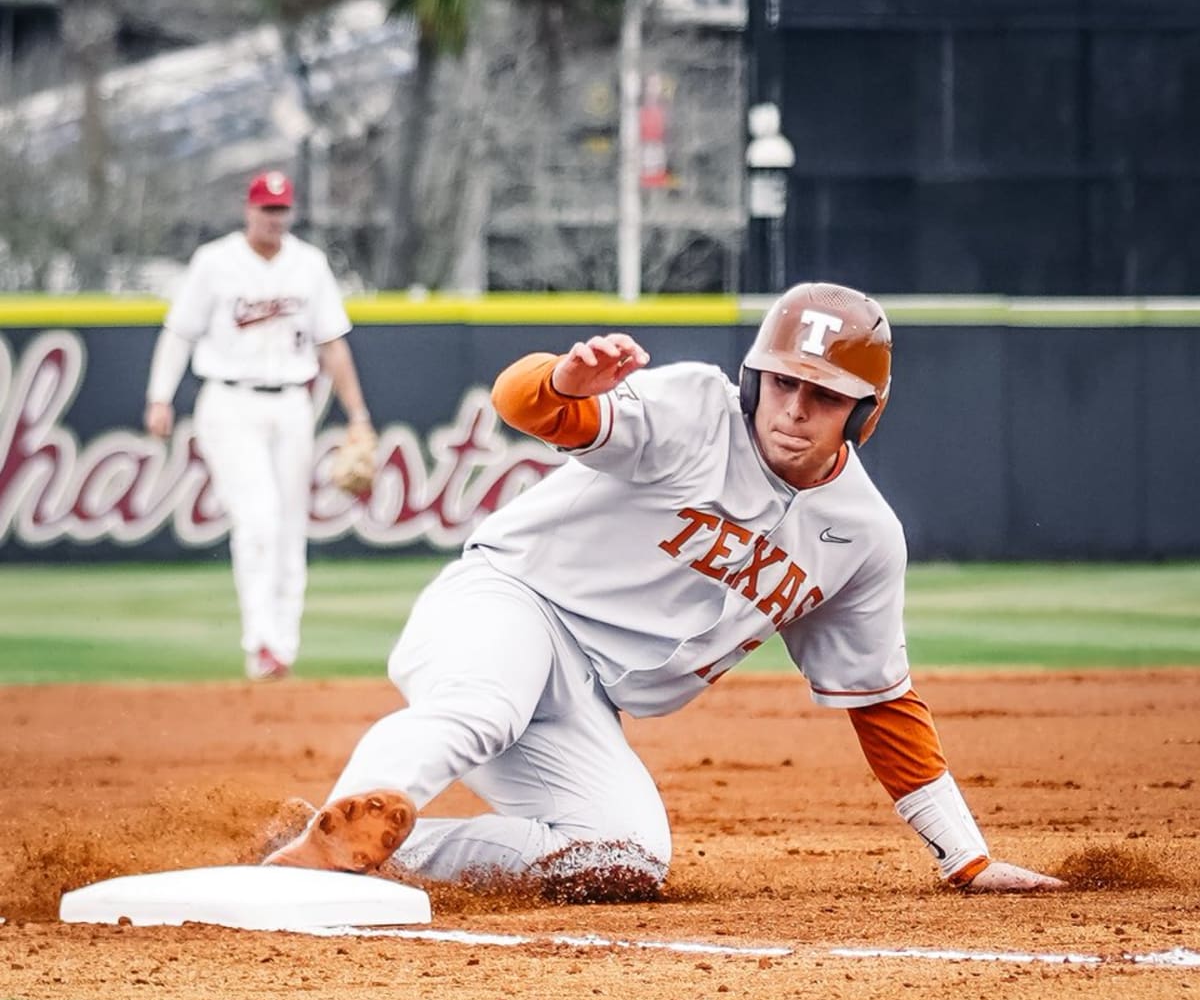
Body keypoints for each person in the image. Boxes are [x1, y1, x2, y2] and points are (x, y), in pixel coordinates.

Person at [266, 281, 1066, 894]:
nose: (793, 409)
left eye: (823, 395)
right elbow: (529, 406)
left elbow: (881, 702)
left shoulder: (861, 536)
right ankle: (342, 834)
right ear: (756, 377)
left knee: (623, 859)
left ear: (865, 414)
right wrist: (564, 378)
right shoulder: (691, 410)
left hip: (585, 697)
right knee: (486, 704)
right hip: (506, 600)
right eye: (782, 382)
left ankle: (336, 847)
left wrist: (965, 857)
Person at [144, 170, 374, 681]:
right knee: (259, 517)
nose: (275, 218)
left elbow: (332, 345)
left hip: (293, 402)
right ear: (248, 211)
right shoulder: (215, 262)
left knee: (292, 525)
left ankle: (282, 648)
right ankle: (260, 641)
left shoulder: (309, 265)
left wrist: (357, 415)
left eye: (282, 210)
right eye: (266, 209)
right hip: (229, 401)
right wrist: (160, 396)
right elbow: (178, 333)